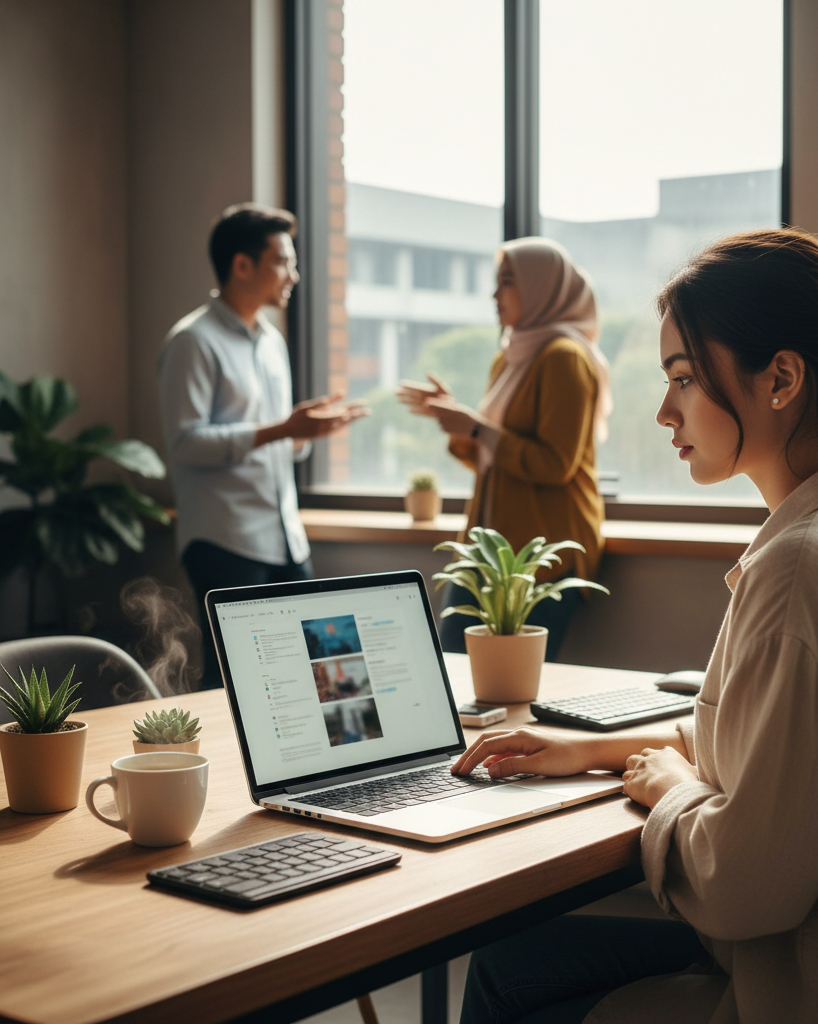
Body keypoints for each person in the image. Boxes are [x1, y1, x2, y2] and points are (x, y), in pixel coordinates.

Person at [451, 228, 818, 1024]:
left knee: (510, 987)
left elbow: (748, 890)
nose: (663, 408)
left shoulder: (805, 568)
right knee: (510, 965)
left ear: (781, 379)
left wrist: (671, 791)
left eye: (684, 377)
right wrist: (591, 749)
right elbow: (774, 744)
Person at [158, 203, 367, 689]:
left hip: (283, 536)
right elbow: (185, 443)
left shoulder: (271, 342)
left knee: (325, 669)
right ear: (242, 265)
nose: (293, 275)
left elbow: (278, 440)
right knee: (238, 682)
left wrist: (303, 433)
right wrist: (281, 430)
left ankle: (341, 762)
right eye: (283, 261)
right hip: (225, 538)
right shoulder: (193, 342)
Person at [397, 237, 612, 661]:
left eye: (507, 282)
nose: (494, 294)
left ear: (541, 287)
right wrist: (458, 422)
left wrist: (476, 428)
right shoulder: (512, 356)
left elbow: (555, 465)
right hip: (488, 545)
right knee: (454, 667)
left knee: (510, 687)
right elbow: (489, 459)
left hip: (540, 552)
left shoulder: (564, 357)